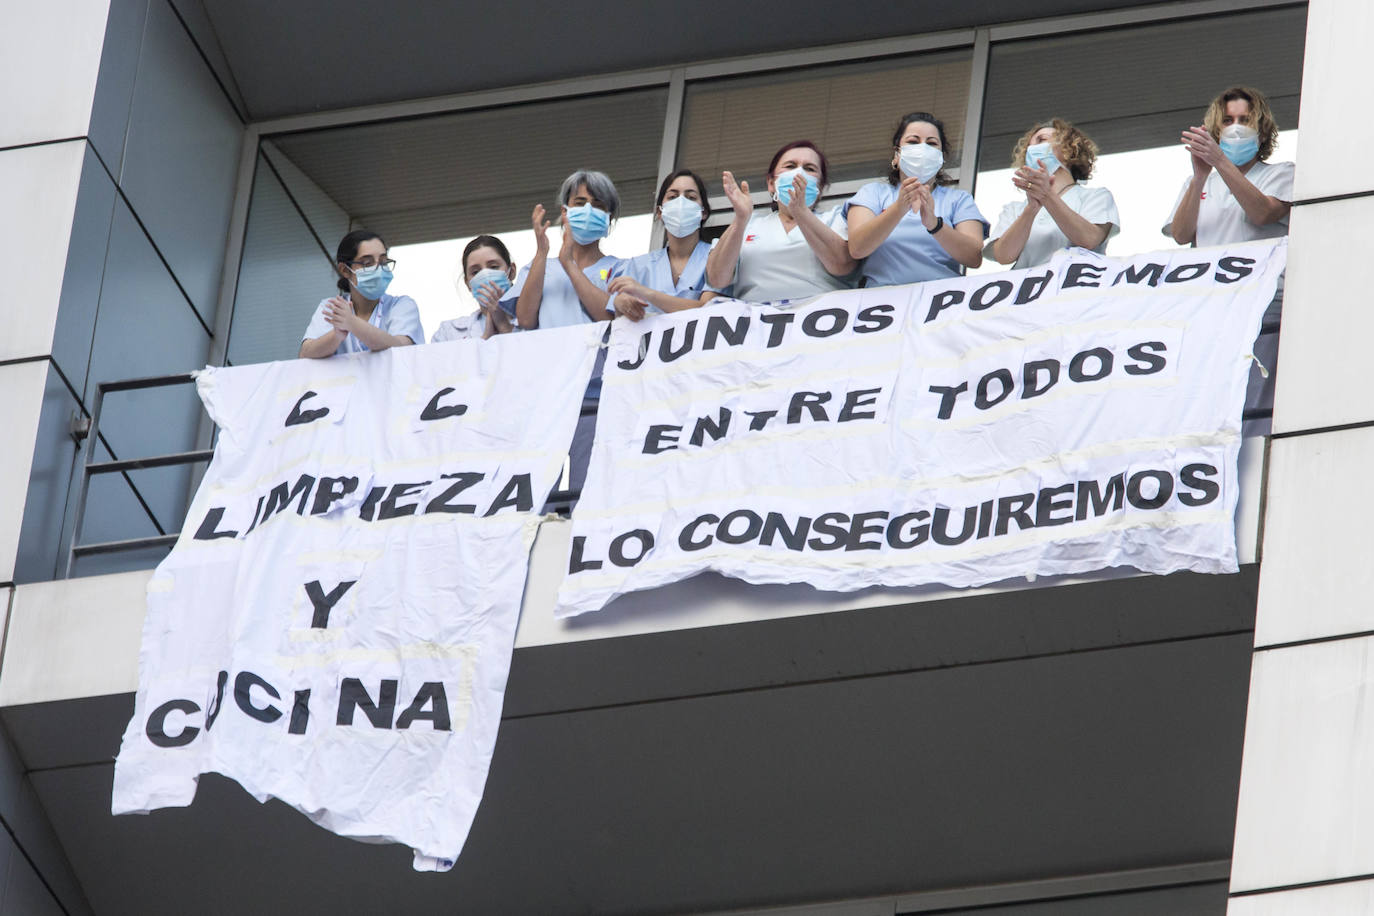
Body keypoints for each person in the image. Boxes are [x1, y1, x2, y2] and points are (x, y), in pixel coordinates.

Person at [1163, 85, 1294, 434]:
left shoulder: (1280, 174)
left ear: (1261, 127)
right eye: (1229, 120)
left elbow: (1263, 213)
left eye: (1244, 120)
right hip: (1212, 308)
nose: (1235, 127)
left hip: (1263, 308)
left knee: (1254, 400)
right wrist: (1201, 176)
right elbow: (1181, 233)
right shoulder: (1200, 181)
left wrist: (1220, 161)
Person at [703, 140, 858, 303]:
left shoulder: (835, 218)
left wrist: (802, 213)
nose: (799, 173)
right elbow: (716, 278)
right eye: (790, 166)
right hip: (757, 323)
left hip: (821, 320)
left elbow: (843, 266)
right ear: (771, 183)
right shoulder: (749, 225)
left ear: (821, 187)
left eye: (809, 168)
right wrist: (740, 220)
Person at [846, 112, 987, 286]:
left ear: (941, 158)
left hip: (942, 301)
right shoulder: (873, 193)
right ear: (897, 155)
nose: (923, 149)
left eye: (932, 143)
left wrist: (935, 225)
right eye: (913, 142)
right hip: (881, 304)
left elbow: (974, 258)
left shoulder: (958, 199)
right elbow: (857, 248)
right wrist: (898, 209)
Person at [986, 118, 1120, 268]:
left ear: (1070, 150)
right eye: (1029, 146)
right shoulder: (1015, 209)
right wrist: (1031, 210)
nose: (1032, 149)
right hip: (1031, 290)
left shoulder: (1095, 197)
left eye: (1041, 140)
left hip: (1075, 288)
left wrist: (1047, 196)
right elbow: (1003, 256)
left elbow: (1089, 239)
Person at [502, 169, 623, 329]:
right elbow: (525, 320)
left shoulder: (620, 269)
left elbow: (612, 319)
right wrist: (541, 252)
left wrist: (568, 264)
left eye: (598, 205)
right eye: (580, 203)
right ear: (564, 211)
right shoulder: (539, 267)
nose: (588, 211)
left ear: (609, 216)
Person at [606, 169, 727, 317]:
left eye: (691, 197)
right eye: (673, 196)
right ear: (660, 212)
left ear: (703, 212)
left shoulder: (719, 258)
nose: (681, 203)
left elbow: (707, 310)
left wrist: (647, 293)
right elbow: (617, 313)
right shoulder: (638, 266)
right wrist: (620, 303)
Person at [300, 229, 423, 358]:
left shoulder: (401, 305)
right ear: (345, 270)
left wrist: (352, 323)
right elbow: (305, 354)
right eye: (367, 263)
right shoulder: (332, 307)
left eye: (383, 262)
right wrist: (336, 336)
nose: (378, 269)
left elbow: (401, 346)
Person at [431, 235, 515, 342]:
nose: (485, 274)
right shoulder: (447, 333)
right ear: (468, 284)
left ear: (511, 271)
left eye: (494, 267)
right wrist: (485, 339)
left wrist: (504, 327)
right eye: (475, 272)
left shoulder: (536, 319)